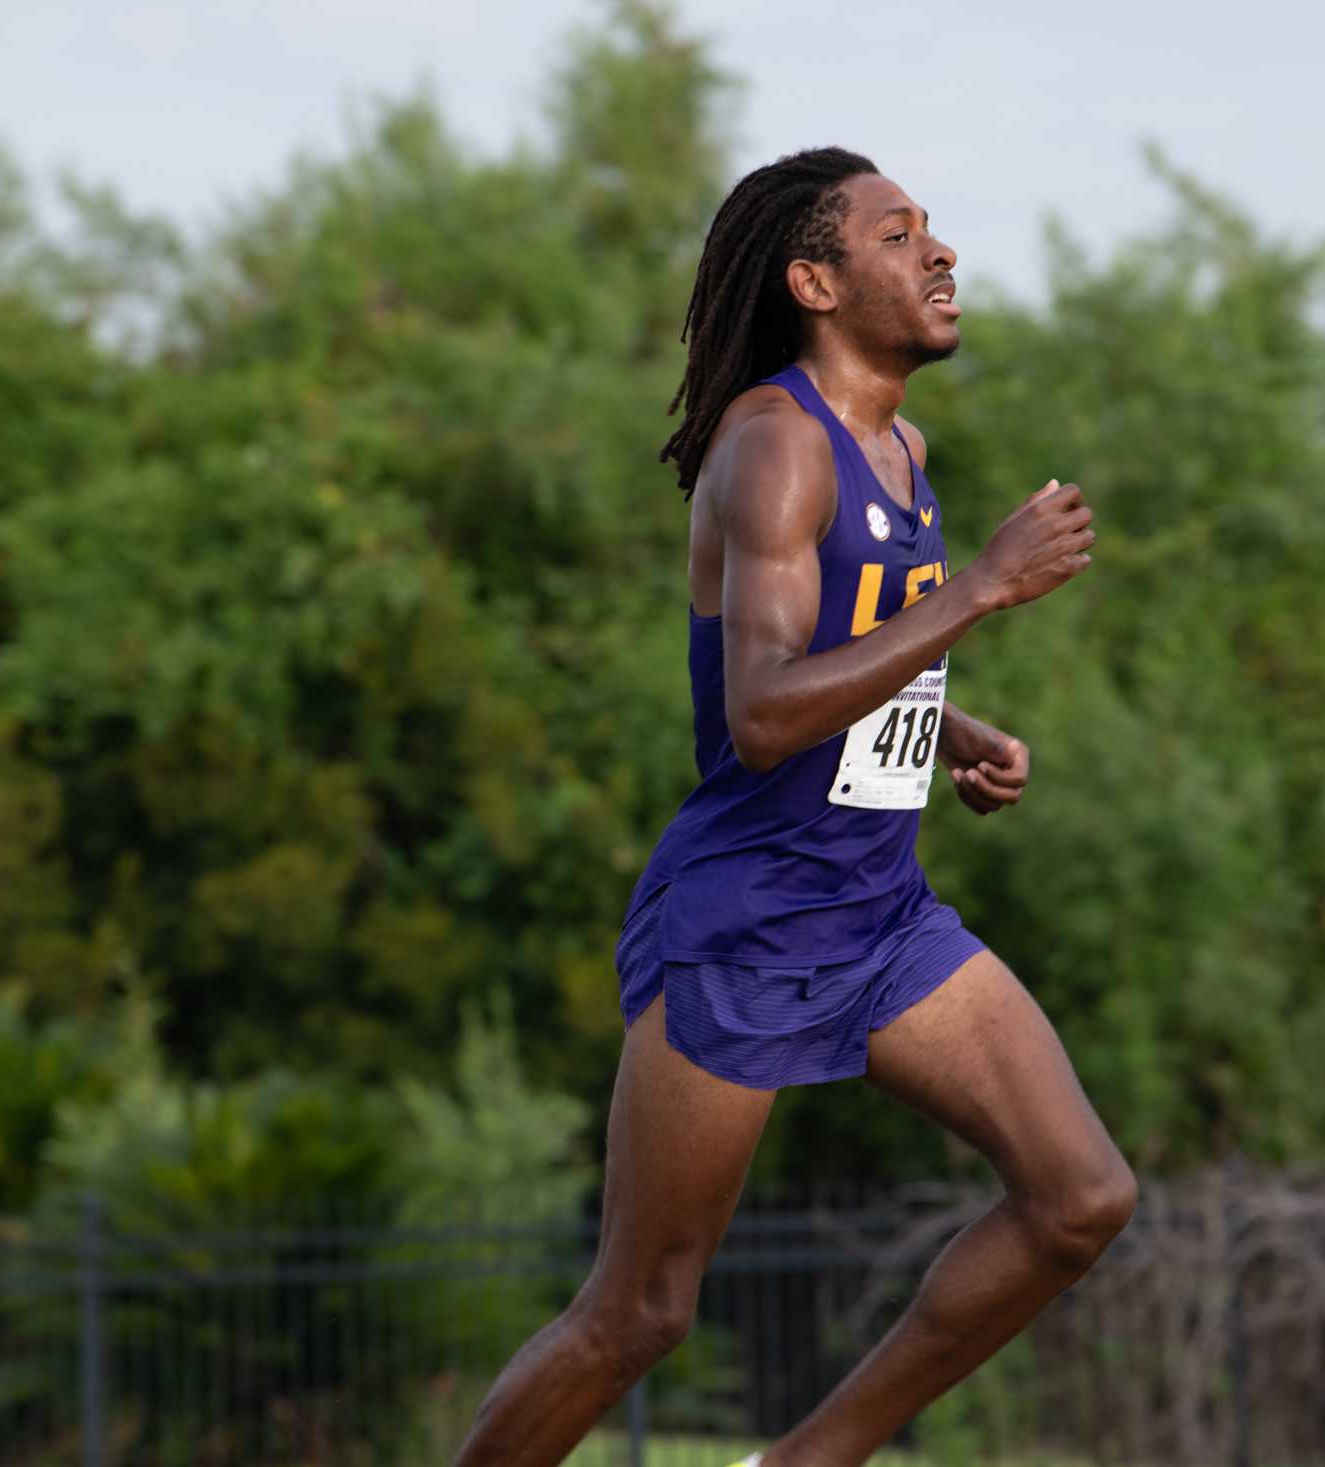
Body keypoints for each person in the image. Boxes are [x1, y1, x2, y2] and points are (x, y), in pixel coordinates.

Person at [454, 146, 1135, 1467]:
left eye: (933, 230)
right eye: (897, 235)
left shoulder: (903, 444)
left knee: (1079, 1199)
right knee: (640, 1313)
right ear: (815, 279)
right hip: (750, 923)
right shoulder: (773, 445)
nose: (937, 254)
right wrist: (981, 589)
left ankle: (807, 1460)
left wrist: (950, 728)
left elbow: (857, 648)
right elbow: (763, 713)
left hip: (879, 916)